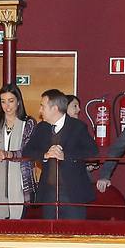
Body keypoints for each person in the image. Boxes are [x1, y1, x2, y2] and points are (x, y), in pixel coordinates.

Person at [23, 88, 96, 219]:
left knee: (74, 234)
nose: (40, 111)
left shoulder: (78, 126)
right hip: (49, 192)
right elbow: (27, 151)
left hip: (73, 192)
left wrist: (65, 156)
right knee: (50, 235)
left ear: (54, 109)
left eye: (42, 106)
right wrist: (45, 155)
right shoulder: (41, 128)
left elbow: (92, 152)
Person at [0, 83, 35, 219]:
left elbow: (30, 152)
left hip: (20, 182)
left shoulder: (28, 123)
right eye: (3, 102)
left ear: (18, 102)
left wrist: (8, 154)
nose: (7, 106)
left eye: (11, 101)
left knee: (17, 230)